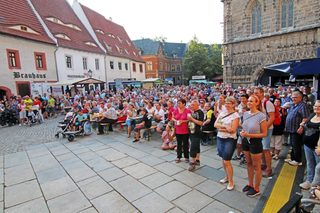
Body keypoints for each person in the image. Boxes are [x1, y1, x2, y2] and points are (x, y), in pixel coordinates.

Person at [240, 95, 267, 197]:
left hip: (255, 142)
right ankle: (250, 184)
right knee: (249, 163)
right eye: (249, 101)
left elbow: (264, 134)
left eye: (252, 101)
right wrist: (243, 132)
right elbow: (244, 126)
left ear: (257, 103)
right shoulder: (246, 114)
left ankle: (256, 188)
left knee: (256, 166)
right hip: (245, 140)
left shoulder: (261, 116)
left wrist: (248, 135)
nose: (249, 103)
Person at [215, 97, 240, 191]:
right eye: (226, 103)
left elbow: (233, 130)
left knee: (227, 161)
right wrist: (225, 127)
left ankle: (231, 181)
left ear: (233, 104)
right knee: (223, 159)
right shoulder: (222, 113)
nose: (226, 104)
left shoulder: (235, 116)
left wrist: (221, 127)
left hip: (229, 139)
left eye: (229, 103)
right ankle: (227, 177)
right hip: (220, 137)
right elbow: (216, 125)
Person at [299, 100, 320, 190]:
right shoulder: (312, 115)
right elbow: (306, 123)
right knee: (310, 164)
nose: (316, 108)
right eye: (315, 106)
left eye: (319, 107)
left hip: (317, 148)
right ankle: (309, 180)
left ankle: (315, 186)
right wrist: (302, 125)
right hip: (307, 145)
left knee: (317, 167)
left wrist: (319, 147)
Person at [285, 90, 310, 166]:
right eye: (292, 97)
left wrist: (301, 127)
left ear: (300, 98)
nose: (293, 99)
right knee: (292, 144)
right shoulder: (294, 105)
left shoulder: (303, 105)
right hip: (291, 129)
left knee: (296, 145)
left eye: (295, 97)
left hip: (297, 129)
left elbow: (305, 118)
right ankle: (293, 158)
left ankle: (297, 160)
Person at [254, 87, 275, 178]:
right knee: (261, 148)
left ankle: (269, 169)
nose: (256, 95)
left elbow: (272, 117)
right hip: (259, 129)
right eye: (254, 93)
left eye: (257, 93)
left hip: (267, 128)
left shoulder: (268, 103)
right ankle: (264, 164)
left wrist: (264, 127)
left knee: (266, 149)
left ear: (262, 93)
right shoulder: (258, 103)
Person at [187, 100, 204, 171]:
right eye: (191, 105)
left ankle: (192, 163)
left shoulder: (200, 112)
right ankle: (197, 160)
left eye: (193, 105)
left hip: (196, 132)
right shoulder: (193, 112)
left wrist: (191, 119)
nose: (191, 106)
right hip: (191, 131)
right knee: (196, 146)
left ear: (197, 105)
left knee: (193, 147)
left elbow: (201, 123)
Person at [173, 99, 190, 163]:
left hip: (185, 130)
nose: (178, 104)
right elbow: (172, 117)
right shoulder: (176, 110)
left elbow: (189, 119)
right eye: (178, 103)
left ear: (184, 104)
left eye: (179, 103)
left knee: (185, 144)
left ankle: (186, 157)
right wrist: (176, 121)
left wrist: (183, 121)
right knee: (179, 144)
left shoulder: (187, 111)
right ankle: (178, 156)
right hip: (178, 130)